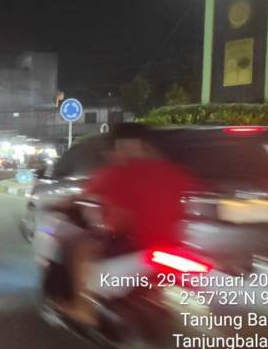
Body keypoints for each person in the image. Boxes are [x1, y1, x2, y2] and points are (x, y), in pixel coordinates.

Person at [56, 123, 194, 325]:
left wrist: (65, 205)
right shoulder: (174, 172)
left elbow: (83, 199)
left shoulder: (114, 173)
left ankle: (83, 308)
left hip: (133, 247)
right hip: (173, 246)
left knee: (81, 245)